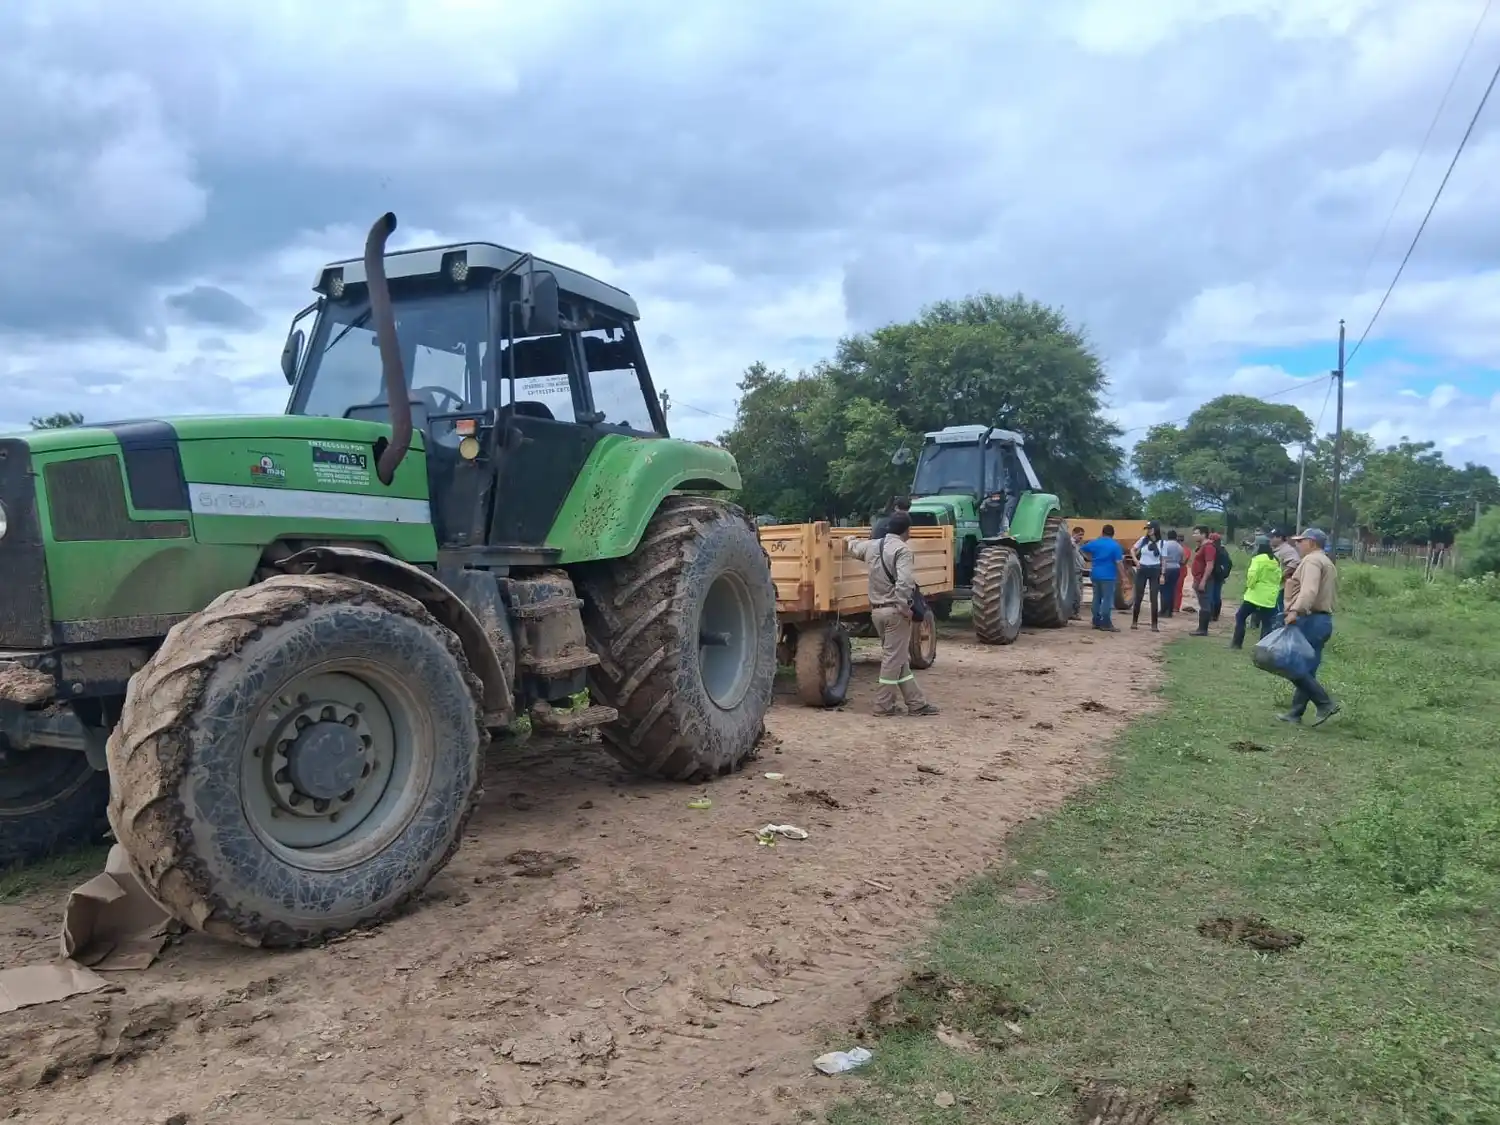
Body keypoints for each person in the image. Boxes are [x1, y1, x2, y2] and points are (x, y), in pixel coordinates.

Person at [846, 511, 939, 717]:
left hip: (877, 612)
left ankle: (916, 703)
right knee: (892, 659)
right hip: (895, 613)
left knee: (898, 658)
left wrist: (849, 539)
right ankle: (883, 705)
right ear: (907, 530)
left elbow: (852, 548)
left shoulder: (872, 546)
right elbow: (904, 582)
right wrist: (904, 606)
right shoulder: (902, 550)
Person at [1278, 527, 1339, 725]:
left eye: (1300, 541)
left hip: (1310, 619)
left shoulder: (1312, 560)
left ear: (1311, 542)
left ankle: (1324, 703)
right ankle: (1295, 713)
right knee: (1307, 668)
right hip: (1323, 620)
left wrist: (1295, 611)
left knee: (1291, 664)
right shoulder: (1326, 561)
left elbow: (1309, 591)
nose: (1297, 545)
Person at [1231, 536, 1281, 649]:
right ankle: (1263, 648)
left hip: (1255, 595)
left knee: (1240, 616)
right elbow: (1278, 577)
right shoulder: (1275, 560)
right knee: (1267, 623)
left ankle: (1236, 643)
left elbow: (1252, 576)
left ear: (1259, 546)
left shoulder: (1258, 559)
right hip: (1270, 597)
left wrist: (1250, 586)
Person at [1082, 524, 1124, 632]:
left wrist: (1089, 558)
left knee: (1096, 598)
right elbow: (1119, 562)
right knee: (1107, 599)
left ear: (1102, 532)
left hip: (1095, 574)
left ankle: (1096, 621)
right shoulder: (1115, 546)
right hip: (1108, 576)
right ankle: (1106, 623)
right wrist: (1124, 576)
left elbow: (1082, 548)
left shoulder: (1095, 542)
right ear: (1113, 534)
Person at [1130, 521, 1163, 632]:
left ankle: (1154, 624)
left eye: (1150, 528)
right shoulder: (1143, 540)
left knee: (1154, 597)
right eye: (1147, 529)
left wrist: (1163, 574)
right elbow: (1132, 550)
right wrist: (1136, 561)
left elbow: (1164, 559)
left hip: (1155, 569)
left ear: (1155, 529)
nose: (1148, 530)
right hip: (1143, 568)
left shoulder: (1162, 543)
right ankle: (1134, 621)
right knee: (1138, 596)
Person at [1188, 525, 1217, 636]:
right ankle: (1201, 628)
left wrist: (1203, 581)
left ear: (1203, 534)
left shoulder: (1208, 547)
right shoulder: (1202, 546)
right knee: (1203, 603)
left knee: (1205, 604)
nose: (1194, 535)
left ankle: (1203, 629)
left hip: (1204, 580)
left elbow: (1210, 565)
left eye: (1196, 533)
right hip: (1199, 579)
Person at [1269, 528, 1300, 616]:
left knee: (1280, 609)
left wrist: (1280, 576)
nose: (1270, 539)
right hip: (1275, 586)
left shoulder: (1287, 550)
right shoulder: (1277, 549)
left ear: (1280, 538)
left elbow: (1295, 562)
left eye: (1272, 537)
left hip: (1283, 586)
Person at [1159, 529, 1185, 618]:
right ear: (1176, 537)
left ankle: (1163, 610)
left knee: (1163, 590)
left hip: (1166, 568)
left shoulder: (1165, 545)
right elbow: (1182, 560)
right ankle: (1169, 611)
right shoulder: (1180, 547)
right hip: (1176, 568)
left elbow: (1162, 558)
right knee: (1172, 589)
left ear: (1168, 536)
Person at [1070, 525, 1086, 620]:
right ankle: (1073, 612)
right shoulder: (1071, 544)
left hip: (1079, 571)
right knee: (1076, 593)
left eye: (1082, 535)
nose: (1081, 537)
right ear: (1074, 534)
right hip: (1074, 572)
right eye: (1079, 535)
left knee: (1079, 593)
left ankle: (1075, 612)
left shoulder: (1077, 545)